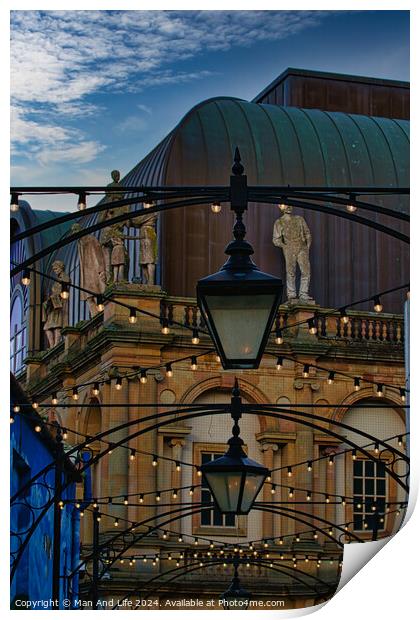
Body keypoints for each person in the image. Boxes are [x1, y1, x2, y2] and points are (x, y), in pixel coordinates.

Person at [272, 205, 313, 302]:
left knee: (306, 271)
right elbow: (275, 240)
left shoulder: (299, 219)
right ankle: (291, 295)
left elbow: (308, 234)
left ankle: (303, 294)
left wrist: (307, 246)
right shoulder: (279, 222)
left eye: (290, 205)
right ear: (281, 207)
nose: (289, 207)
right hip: (289, 248)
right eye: (286, 205)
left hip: (302, 247)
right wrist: (284, 246)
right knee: (291, 272)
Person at [71, 223, 106, 317]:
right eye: (73, 231)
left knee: (95, 293)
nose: (74, 233)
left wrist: (101, 268)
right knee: (88, 296)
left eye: (76, 230)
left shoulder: (90, 239)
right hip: (86, 273)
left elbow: (98, 253)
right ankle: (95, 316)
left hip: (93, 271)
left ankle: (102, 314)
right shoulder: (80, 242)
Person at [42, 261, 70, 348]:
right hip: (53, 303)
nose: (55, 271)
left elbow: (64, 288)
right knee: (47, 327)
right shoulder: (58, 280)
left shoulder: (64, 277)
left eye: (56, 268)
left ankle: (56, 344)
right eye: (54, 269)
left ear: (61, 267)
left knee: (57, 323)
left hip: (59, 304)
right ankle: (52, 345)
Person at [130, 202, 158, 285]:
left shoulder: (151, 213)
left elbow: (138, 220)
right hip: (144, 235)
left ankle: (151, 281)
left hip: (148, 235)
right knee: (143, 262)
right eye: (145, 203)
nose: (145, 205)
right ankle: (147, 280)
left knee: (150, 260)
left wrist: (128, 216)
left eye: (148, 203)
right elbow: (137, 223)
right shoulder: (148, 213)